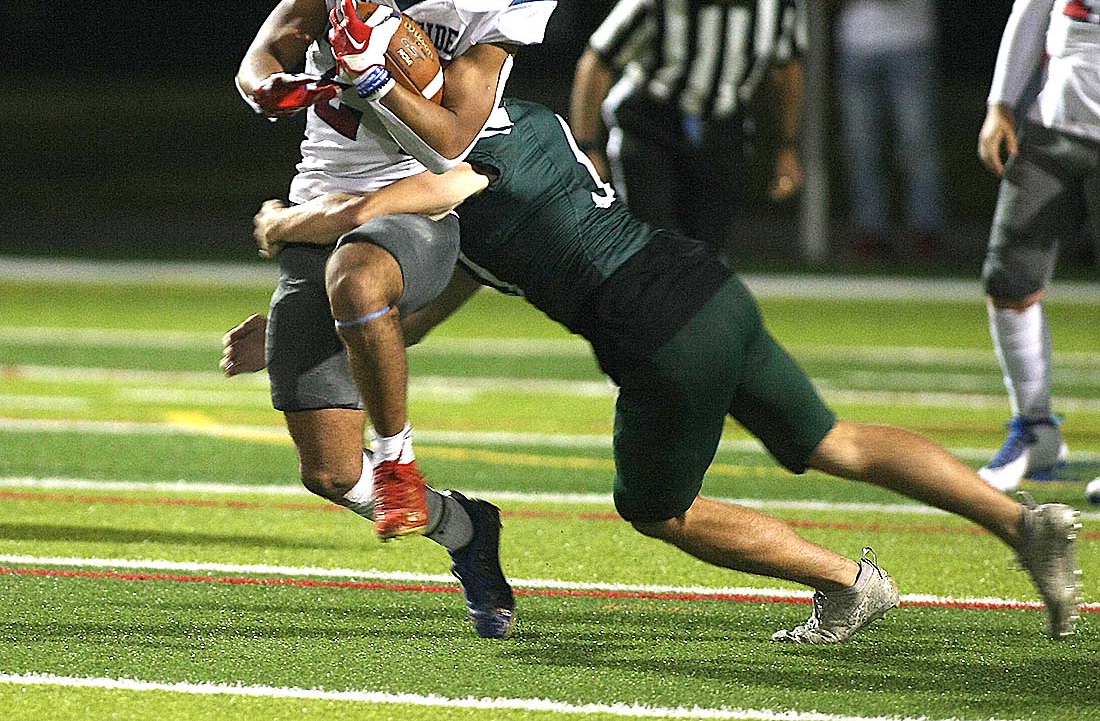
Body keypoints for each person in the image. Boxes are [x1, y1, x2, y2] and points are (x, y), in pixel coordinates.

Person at [227, 97, 1082, 642]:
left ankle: (849, 583)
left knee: (657, 509)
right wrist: (304, 332)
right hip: (708, 289)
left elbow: (400, 200)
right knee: (832, 439)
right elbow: (407, 318)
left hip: (656, 335)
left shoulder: (469, 154)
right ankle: (1017, 521)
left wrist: (295, 220)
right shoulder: (532, 126)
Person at [231, 0, 556, 638]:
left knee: (359, 277)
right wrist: (269, 86)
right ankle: (467, 528)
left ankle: (400, 452)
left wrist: (378, 77)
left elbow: (450, 137)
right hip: (325, 195)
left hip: (418, 202)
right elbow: (268, 48)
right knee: (331, 472)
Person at [974, 0, 1100, 496]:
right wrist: (1001, 102)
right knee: (1009, 276)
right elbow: (1033, 4)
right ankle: (1035, 425)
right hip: (1056, 121)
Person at [568, 0, 805, 260]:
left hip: (723, 126)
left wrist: (787, 145)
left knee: (708, 253)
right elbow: (597, 62)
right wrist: (588, 146)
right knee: (656, 246)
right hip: (651, 124)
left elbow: (786, 70)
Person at [819, 0, 946, 261]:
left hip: (910, 43)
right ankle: (870, 231)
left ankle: (924, 230)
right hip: (857, 46)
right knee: (860, 144)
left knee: (916, 140)